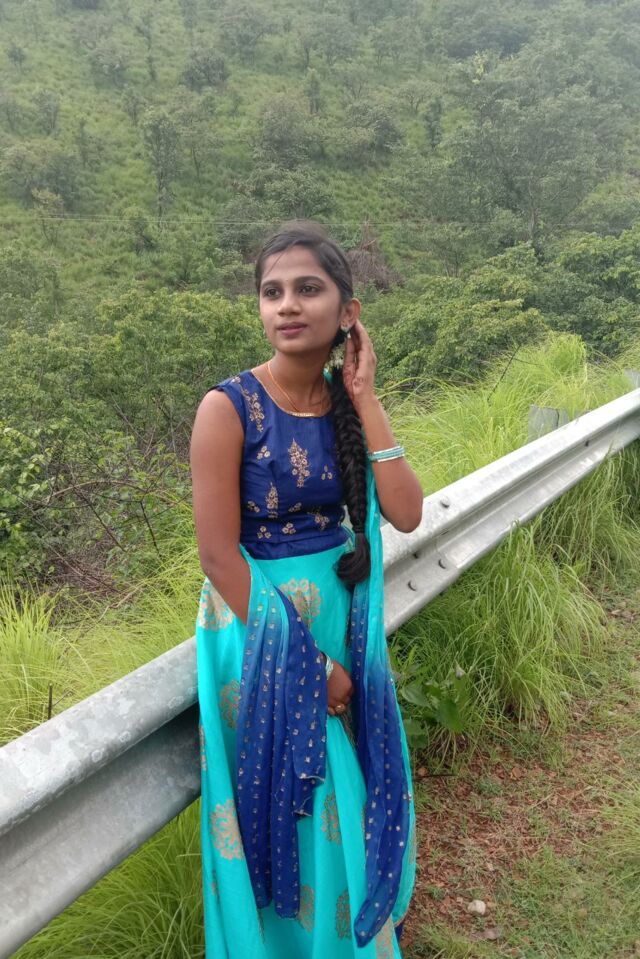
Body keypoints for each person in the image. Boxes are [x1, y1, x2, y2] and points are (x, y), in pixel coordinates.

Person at [190, 220, 424, 959]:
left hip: (340, 626)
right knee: (311, 805)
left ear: (347, 311)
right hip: (262, 637)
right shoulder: (228, 408)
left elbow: (406, 512)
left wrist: (367, 397)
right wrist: (309, 666)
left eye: (307, 289)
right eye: (272, 292)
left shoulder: (345, 404)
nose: (287, 305)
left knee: (343, 803)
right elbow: (217, 554)